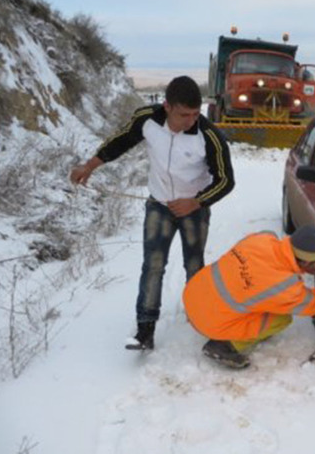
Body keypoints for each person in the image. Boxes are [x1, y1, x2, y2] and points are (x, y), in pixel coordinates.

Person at [70, 75, 235, 351]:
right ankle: (145, 330)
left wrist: (195, 202)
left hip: (194, 211)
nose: (191, 121)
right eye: (184, 114)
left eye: (196, 114)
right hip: (158, 205)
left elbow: (226, 180)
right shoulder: (147, 119)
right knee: (153, 265)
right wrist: (89, 166)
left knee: (194, 266)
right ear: (167, 106)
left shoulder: (209, 136)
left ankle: (202, 318)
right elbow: (118, 142)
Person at [182, 225, 315, 369]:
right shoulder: (284, 286)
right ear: (307, 262)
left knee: (251, 296)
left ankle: (204, 316)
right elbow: (312, 304)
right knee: (282, 319)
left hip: (193, 295)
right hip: (208, 322)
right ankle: (225, 345)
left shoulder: (263, 238)